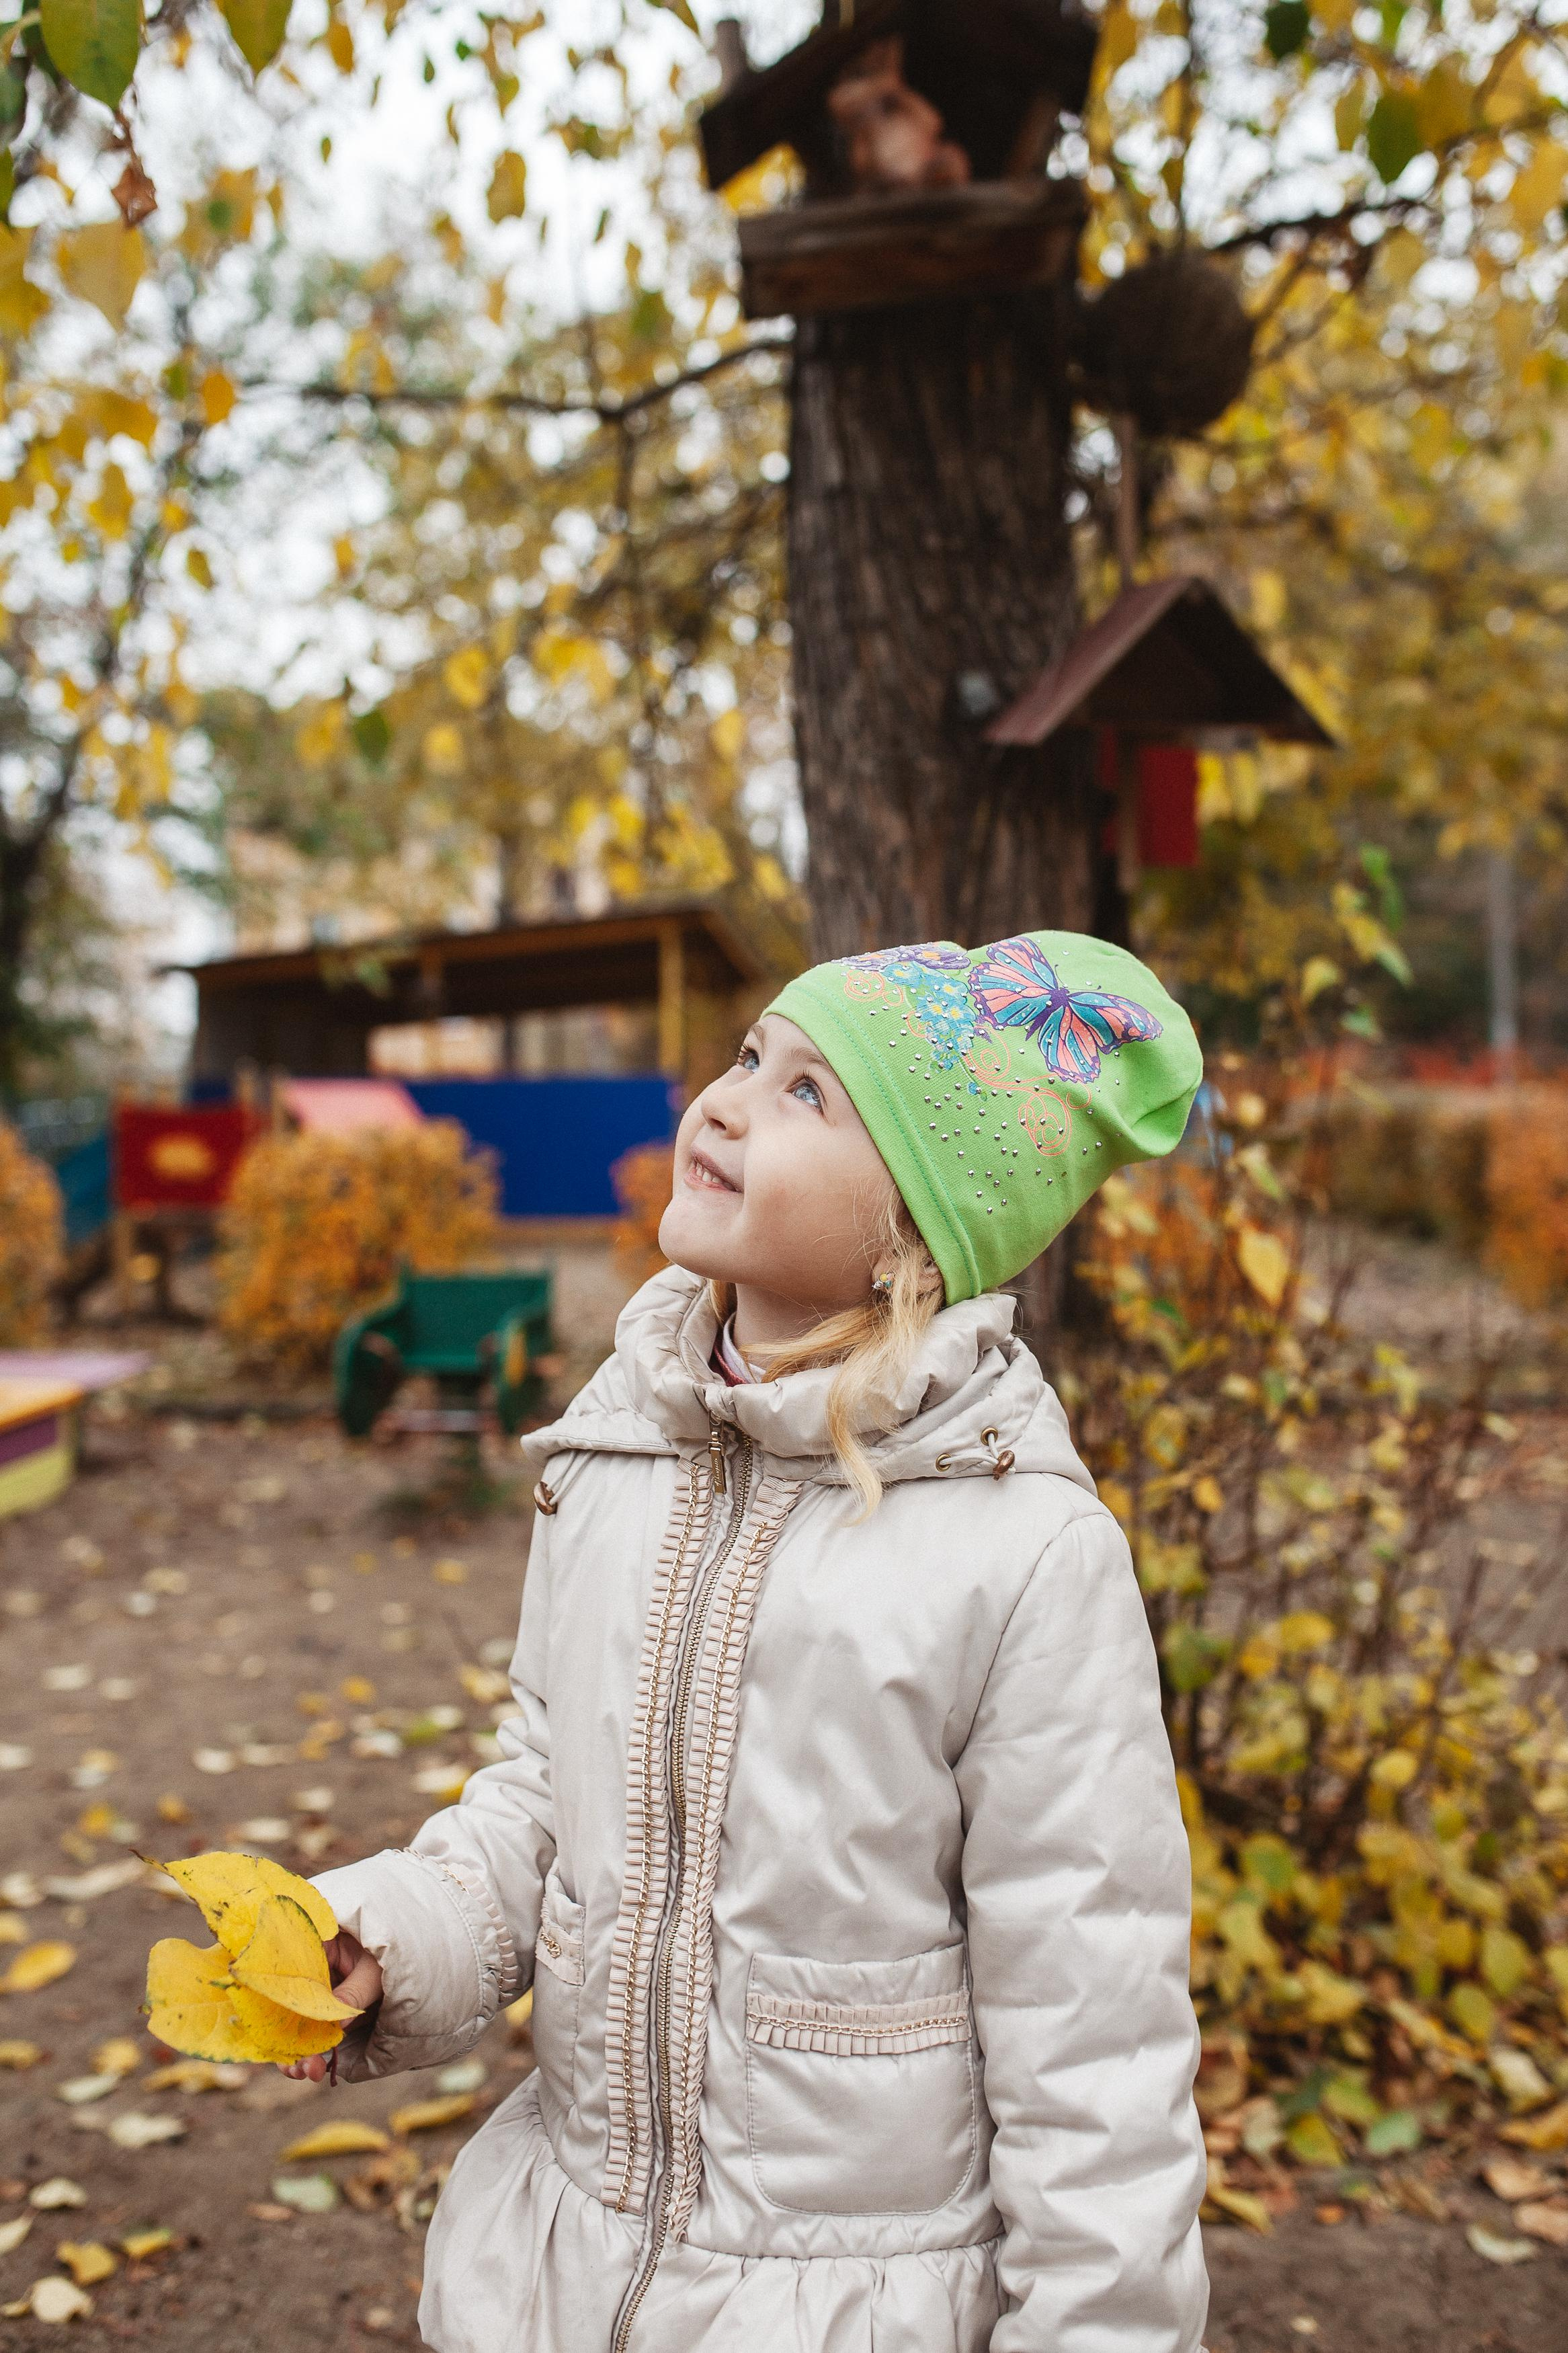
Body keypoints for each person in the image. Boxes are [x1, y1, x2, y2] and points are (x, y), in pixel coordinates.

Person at [296, 931, 1210, 2353]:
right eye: (745, 1058)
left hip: (847, 2301)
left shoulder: (1021, 1551)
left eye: (807, 1095)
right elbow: (545, 1795)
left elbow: (1092, 2025)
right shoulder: (611, 1459)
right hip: (570, 2265)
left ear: (917, 1224)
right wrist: (394, 1936)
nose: (724, 1103)